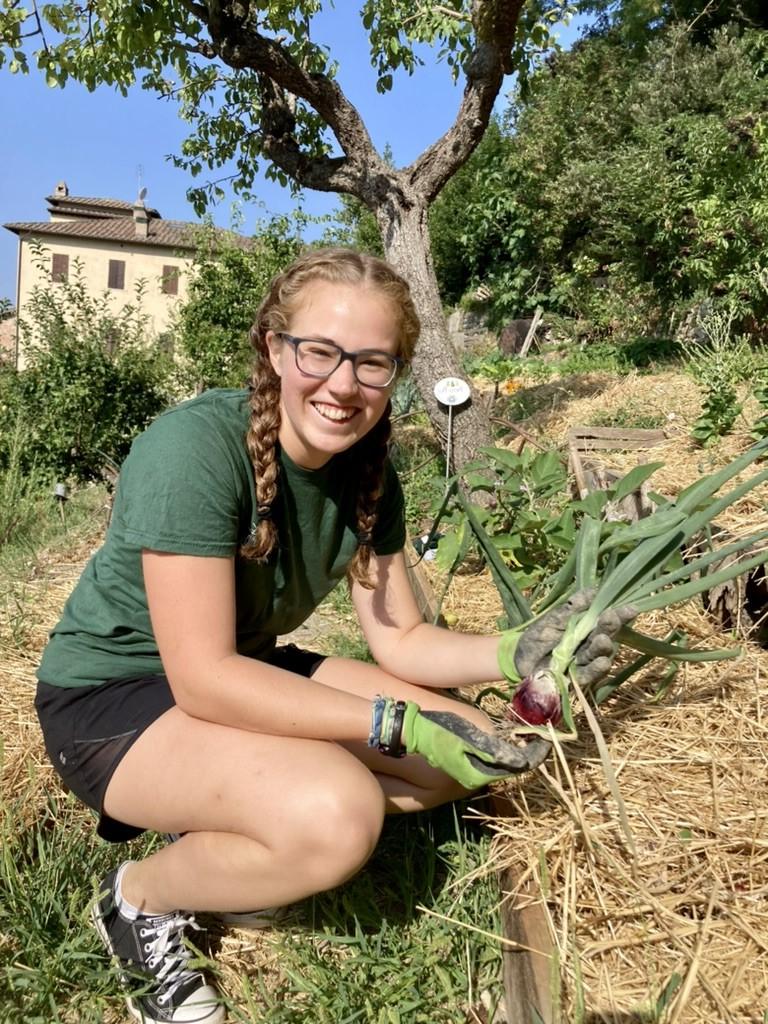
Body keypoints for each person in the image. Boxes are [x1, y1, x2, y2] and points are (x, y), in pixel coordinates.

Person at [35, 248, 623, 1024]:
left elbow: (403, 639)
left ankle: (248, 832)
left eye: (373, 363)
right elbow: (203, 678)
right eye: (321, 352)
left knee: (472, 748)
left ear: (396, 373)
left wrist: (518, 649)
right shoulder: (194, 451)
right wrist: (394, 722)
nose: (343, 385)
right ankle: (140, 902)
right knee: (340, 814)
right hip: (116, 703)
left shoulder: (368, 472)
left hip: (243, 670)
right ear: (276, 350)